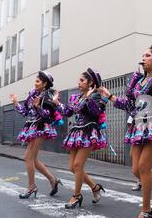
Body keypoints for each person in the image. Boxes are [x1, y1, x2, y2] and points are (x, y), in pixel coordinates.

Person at [99, 42, 152, 218]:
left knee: (143, 167)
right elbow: (129, 105)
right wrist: (110, 96)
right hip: (138, 126)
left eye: (148, 55)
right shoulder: (138, 80)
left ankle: (147, 210)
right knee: (136, 171)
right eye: (143, 55)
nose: (143, 58)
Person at [54, 68, 107, 209]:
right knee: (72, 167)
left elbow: (96, 112)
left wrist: (89, 98)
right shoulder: (76, 97)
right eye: (79, 80)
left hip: (89, 131)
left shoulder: (97, 96)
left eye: (82, 80)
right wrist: (57, 103)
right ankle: (95, 187)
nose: (79, 82)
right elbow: (67, 112)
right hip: (77, 132)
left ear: (91, 83)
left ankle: (76, 195)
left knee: (78, 165)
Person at [10, 71, 62, 199]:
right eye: (35, 80)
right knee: (33, 159)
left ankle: (32, 186)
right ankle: (53, 179)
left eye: (38, 81)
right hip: (31, 126)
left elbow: (47, 116)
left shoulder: (48, 96)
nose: (35, 83)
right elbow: (25, 112)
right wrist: (16, 103)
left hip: (41, 127)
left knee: (28, 157)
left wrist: (38, 107)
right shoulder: (33, 94)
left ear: (45, 84)